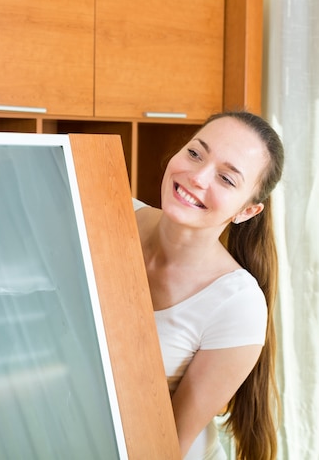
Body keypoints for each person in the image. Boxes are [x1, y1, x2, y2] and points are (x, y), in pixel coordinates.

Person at [133, 111, 283, 460]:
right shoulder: (107, 214)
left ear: (247, 211)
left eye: (227, 179)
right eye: (195, 153)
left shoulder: (238, 305)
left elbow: (168, 446)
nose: (197, 177)